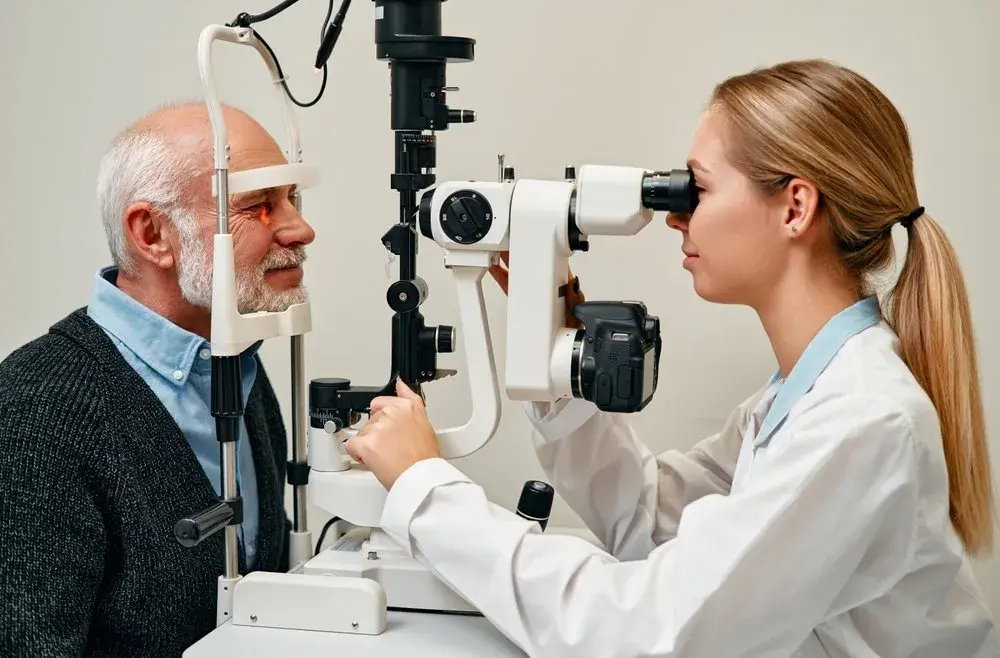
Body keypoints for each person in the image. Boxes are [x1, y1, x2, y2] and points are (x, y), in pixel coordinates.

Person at [344, 59, 1000, 657]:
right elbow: (654, 521)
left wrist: (426, 491)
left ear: (795, 207)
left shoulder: (861, 420)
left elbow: (649, 632)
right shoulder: (800, 395)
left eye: (697, 191)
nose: (673, 218)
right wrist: (550, 341)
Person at [0, 102, 316, 656]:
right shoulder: (34, 414)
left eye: (292, 199)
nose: (300, 228)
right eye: (260, 206)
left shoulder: (235, 359)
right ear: (152, 235)